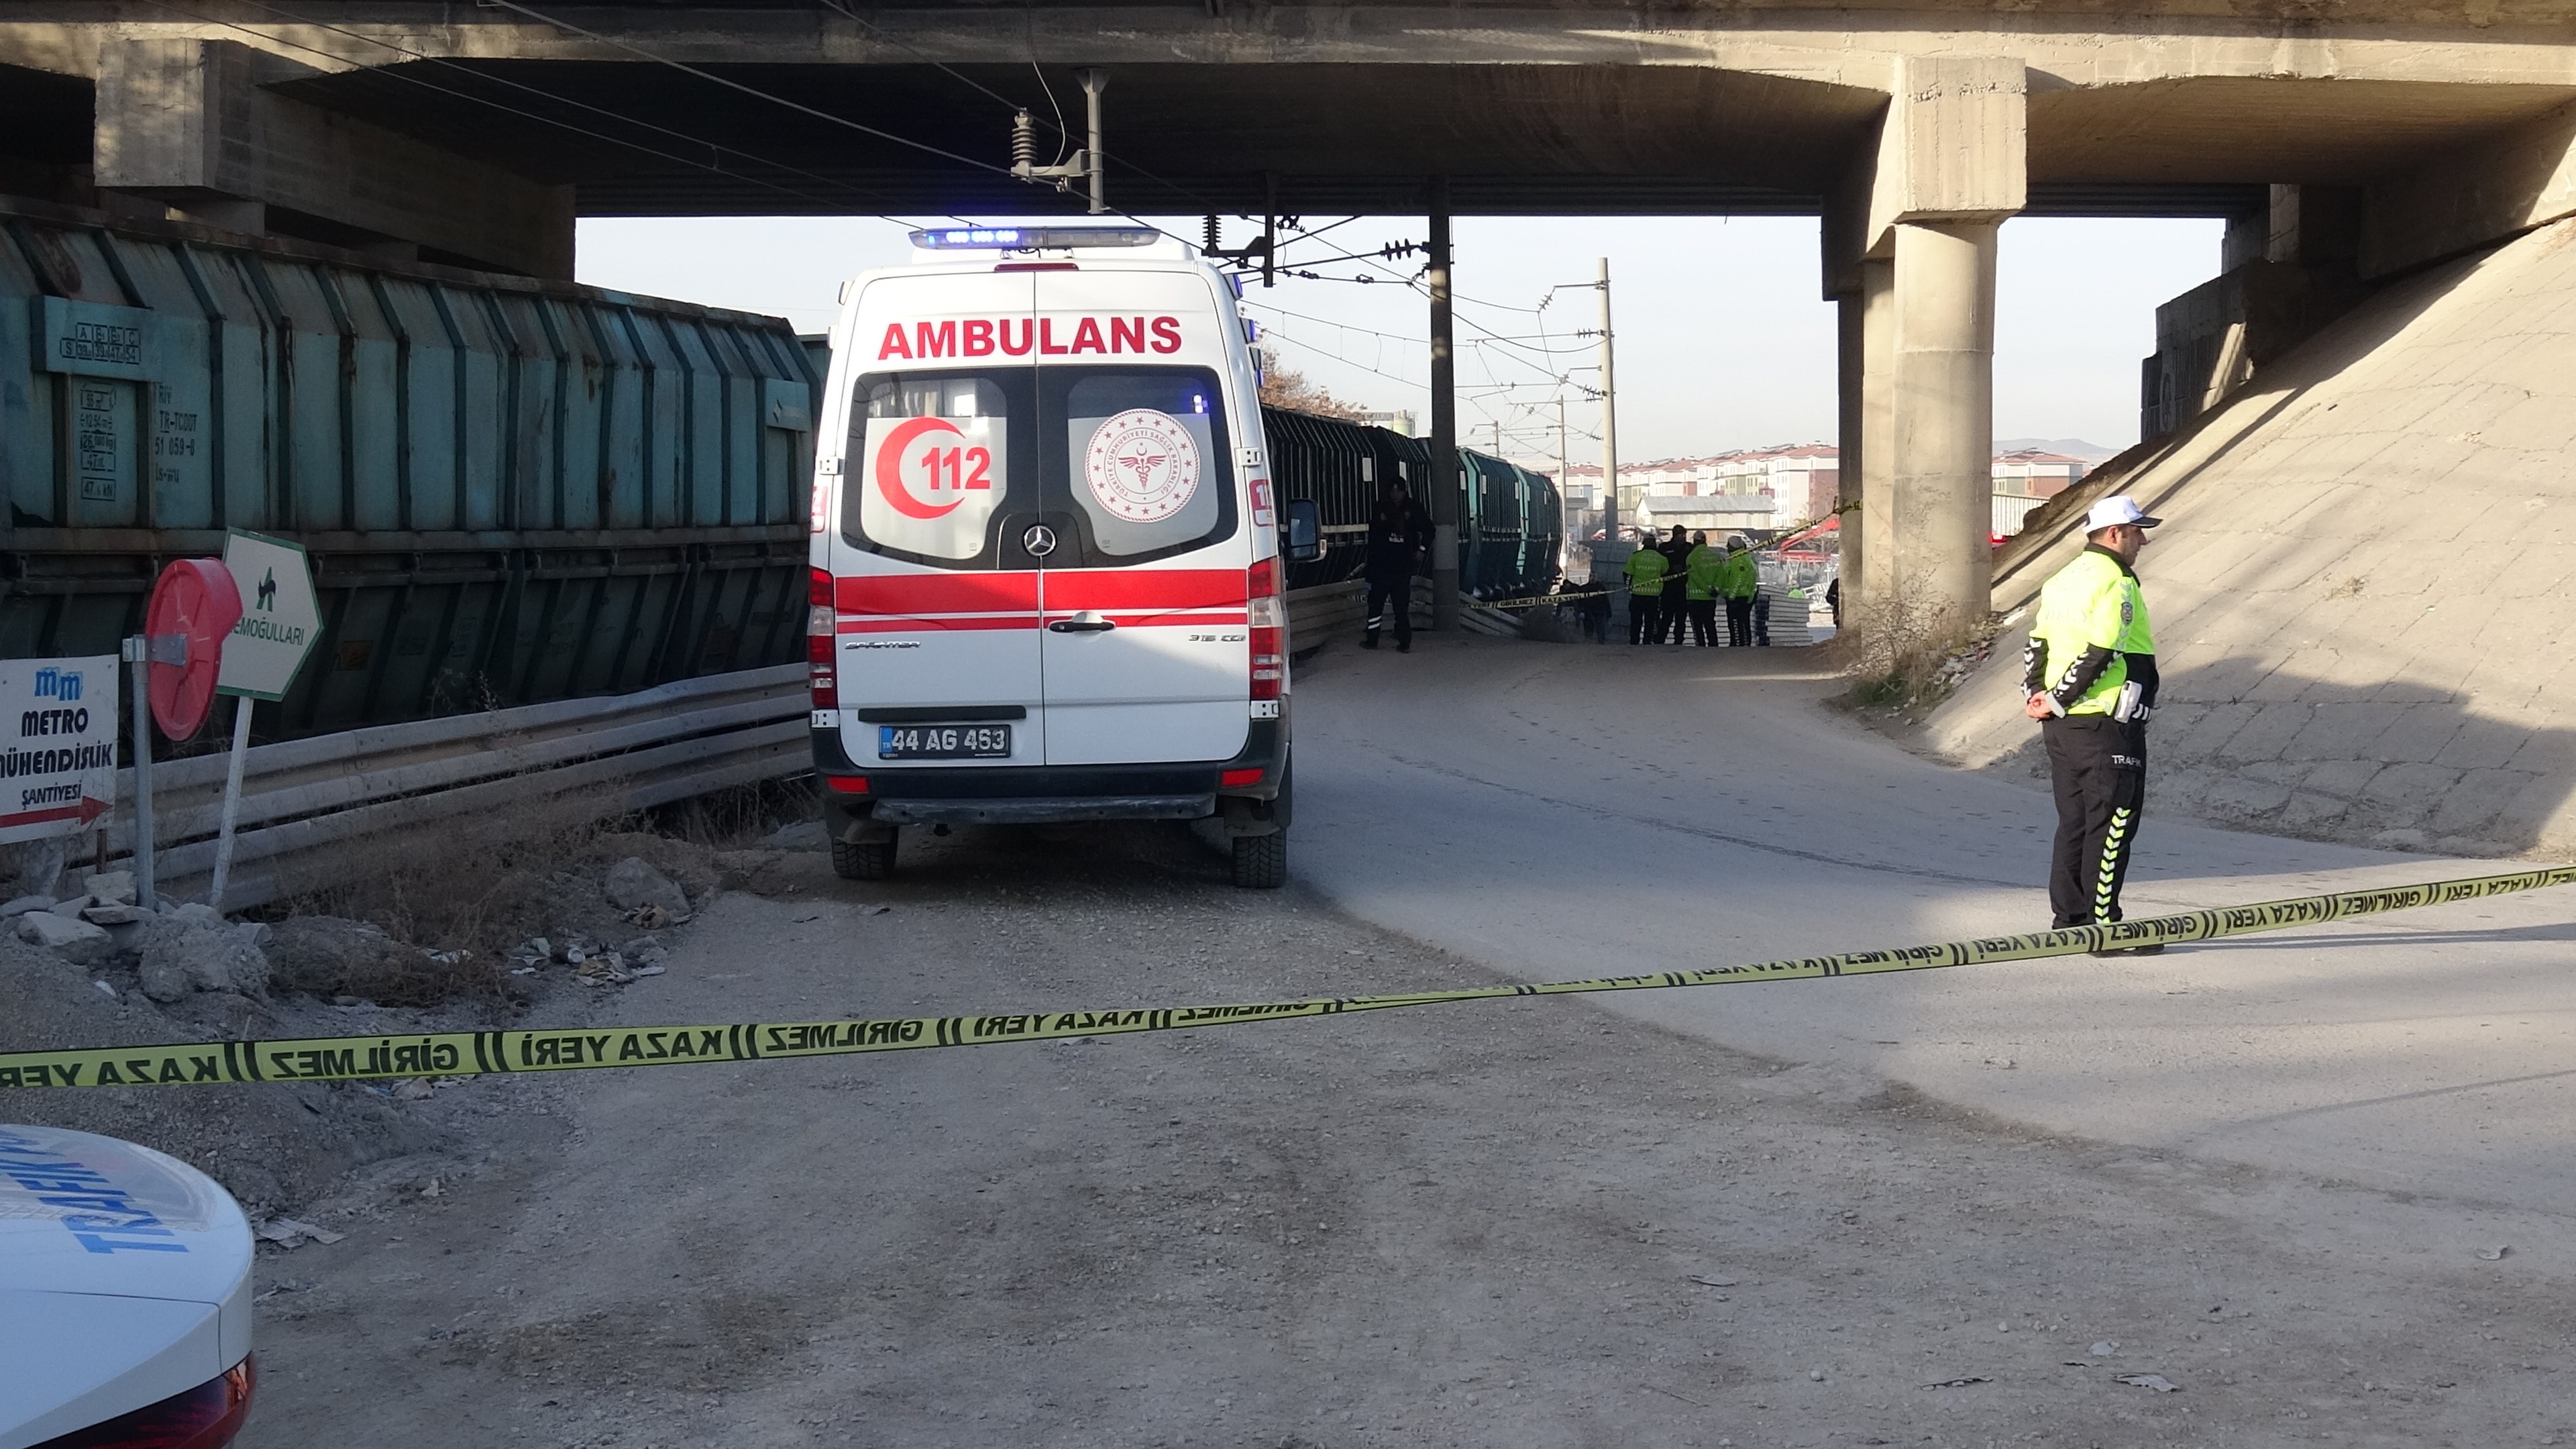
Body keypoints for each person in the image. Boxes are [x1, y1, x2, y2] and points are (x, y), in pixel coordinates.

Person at [2023, 494, 2163, 951]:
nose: (2142, 541)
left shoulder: (2062, 578)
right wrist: (2059, 698)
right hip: (2106, 722)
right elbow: (2102, 650)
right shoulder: (2115, 580)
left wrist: (2038, 696)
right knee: (2112, 821)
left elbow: (2037, 645)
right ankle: (2104, 927)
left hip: (2063, 727)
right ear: (2115, 533)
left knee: (2076, 822)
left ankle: (2070, 922)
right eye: (2138, 532)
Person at [1361, 481, 1431, 652]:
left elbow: (1430, 529)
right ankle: (1372, 640)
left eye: (1398, 491)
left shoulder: (1413, 508)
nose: (1395, 495)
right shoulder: (1381, 507)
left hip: (1402, 566)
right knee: (1375, 606)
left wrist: (1422, 550)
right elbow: (1374, 538)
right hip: (1382, 565)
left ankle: (1404, 642)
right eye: (1392, 491)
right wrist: (1371, 566)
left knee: (1401, 607)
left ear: (1404, 492)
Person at [1623, 538, 1668, 645]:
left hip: (1637, 594)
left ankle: (1634, 642)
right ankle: (1647, 642)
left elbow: (1627, 573)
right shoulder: (1662, 558)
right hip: (1654, 595)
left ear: (1643, 545)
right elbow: (1665, 572)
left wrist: (1628, 587)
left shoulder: (1636, 556)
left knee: (1636, 621)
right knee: (1650, 621)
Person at [1717, 536, 1759, 647]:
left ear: (1733, 546)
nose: (1727, 547)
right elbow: (1753, 579)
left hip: (1737, 597)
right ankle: (1745, 645)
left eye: (1728, 545)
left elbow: (1738, 579)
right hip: (1746, 596)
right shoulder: (1747, 558)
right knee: (1744, 622)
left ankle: (1737, 646)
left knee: (1735, 624)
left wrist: (1731, 596)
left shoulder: (1737, 560)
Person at [1683, 531, 1722, 647]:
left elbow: (1694, 576)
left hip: (1695, 597)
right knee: (1710, 624)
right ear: (1705, 540)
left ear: (1695, 541)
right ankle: (1714, 645)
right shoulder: (1715, 556)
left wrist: (1706, 588)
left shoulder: (1691, 557)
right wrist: (1715, 589)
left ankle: (1700, 647)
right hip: (1710, 598)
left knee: (1697, 625)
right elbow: (1720, 574)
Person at [1658, 525, 1694, 644]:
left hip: (1684, 588)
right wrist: (1671, 570)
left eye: (1684, 535)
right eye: (1680, 535)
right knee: (1667, 617)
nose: (1683, 537)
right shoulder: (1665, 548)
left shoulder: (1689, 548)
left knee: (1681, 618)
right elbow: (1660, 566)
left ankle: (1679, 641)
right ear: (1674, 535)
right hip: (1669, 588)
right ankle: (1660, 640)